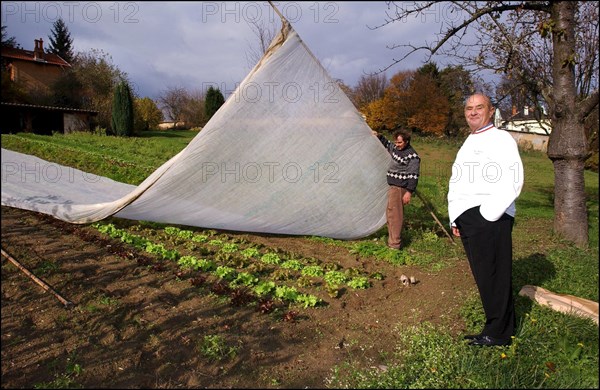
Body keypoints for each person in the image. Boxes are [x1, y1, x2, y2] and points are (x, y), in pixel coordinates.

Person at [448, 93, 524, 347]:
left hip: (490, 216)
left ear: (490, 111)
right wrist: (456, 218)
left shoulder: (501, 139)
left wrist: (487, 214)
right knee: (484, 276)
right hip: (470, 218)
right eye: (468, 108)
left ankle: (500, 334)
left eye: (479, 107)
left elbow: (513, 179)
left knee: (494, 275)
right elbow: (460, 181)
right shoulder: (470, 140)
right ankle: (495, 327)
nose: (473, 112)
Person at [373, 128, 420, 250]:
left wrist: (409, 192)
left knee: (395, 216)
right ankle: (392, 240)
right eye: (396, 142)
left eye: (399, 142)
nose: (396, 144)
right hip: (393, 187)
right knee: (390, 214)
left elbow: (413, 175)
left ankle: (394, 245)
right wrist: (378, 135)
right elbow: (387, 144)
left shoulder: (412, 156)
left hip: (400, 188)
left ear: (407, 141)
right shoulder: (395, 148)